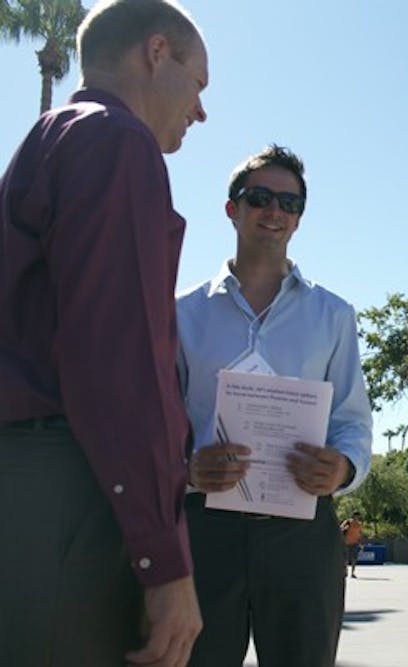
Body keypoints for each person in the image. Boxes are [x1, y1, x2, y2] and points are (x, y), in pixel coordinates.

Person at [0, 1, 208, 665]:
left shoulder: (54, 136)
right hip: (71, 492)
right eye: (198, 84)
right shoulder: (118, 142)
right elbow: (119, 366)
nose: (201, 112)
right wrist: (164, 562)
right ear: (156, 52)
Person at [178, 144, 373, 666]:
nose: (276, 211)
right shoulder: (181, 314)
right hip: (205, 529)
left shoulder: (333, 316)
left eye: (291, 203)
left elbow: (352, 422)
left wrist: (343, 468)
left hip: (302, 534)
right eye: (260, 197)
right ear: (231, 208)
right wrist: (187, 468)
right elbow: (156, 423)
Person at [341, 512, 365, 578]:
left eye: (358, 517)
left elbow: (360, 534)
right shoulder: (347, 522)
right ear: (353, 516)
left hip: (355, 543)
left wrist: (361, 543)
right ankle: (345, 572)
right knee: (346, 559)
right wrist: (345, 528)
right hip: (346, 543)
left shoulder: (359, 524)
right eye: (355, 516)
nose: (356, 518)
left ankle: (352, 573)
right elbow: (340, 529)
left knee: (354, 559)